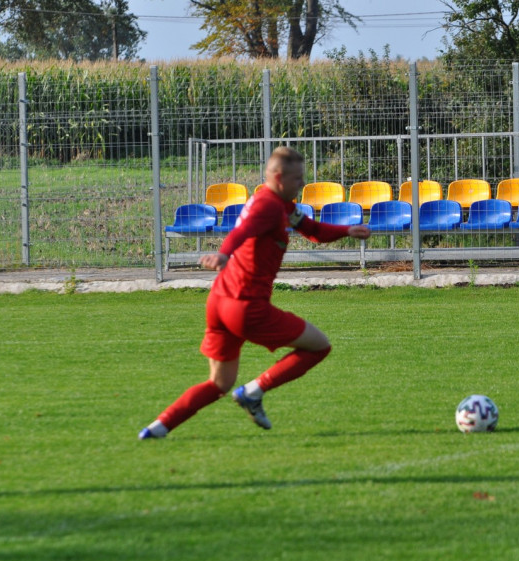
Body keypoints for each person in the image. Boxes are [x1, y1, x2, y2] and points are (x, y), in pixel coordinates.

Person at [139, 146, 371, 439]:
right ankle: (254, 391)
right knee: (319, 346)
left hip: (219, 302)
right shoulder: (269, 206)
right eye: (298, 178)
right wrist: (223, 255)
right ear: (278, 176)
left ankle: (158, 427)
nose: (302, 183)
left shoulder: (281, 205)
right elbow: (242, 231)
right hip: (245, 306)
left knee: (218, 384)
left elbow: (312, 230)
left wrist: (347, 231)